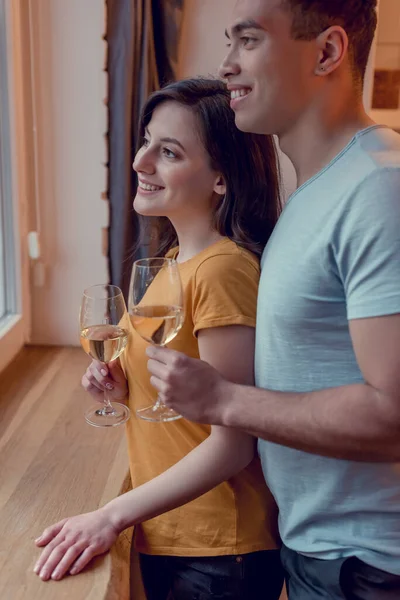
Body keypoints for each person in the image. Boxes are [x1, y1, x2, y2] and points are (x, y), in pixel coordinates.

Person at [145, 1, 400, 599]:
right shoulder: (321, 190)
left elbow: (394, 415)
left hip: (368, 567)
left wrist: (226, 401)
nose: (227, 66)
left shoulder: (378, 190)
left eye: (249, 41)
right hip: (321, 553)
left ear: (328, 52)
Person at [33, 78, 285, 599]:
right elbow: (183, 398)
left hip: (217, 549)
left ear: (222, 177)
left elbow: (233, 442)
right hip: (172, 533)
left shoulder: (221, 271)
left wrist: (109, 515)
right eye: (146, 141)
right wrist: (121, 388)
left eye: (167, 151)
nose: (140, 162)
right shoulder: (168, 263)